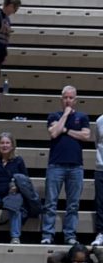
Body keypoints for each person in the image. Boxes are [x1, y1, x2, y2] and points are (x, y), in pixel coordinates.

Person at [41, 86, 91, 246]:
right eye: (65, 97)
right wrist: (65, 115)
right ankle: (48, 234)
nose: (68, 100)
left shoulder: (82, 117)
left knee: (73, 204)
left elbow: (86, 136)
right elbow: (54, 133)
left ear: (75, 100)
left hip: (76, 166)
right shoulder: (53, 116)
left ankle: (70, 235)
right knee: (50, 203)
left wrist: (67, 129)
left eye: (71, 98)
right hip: (56, 165)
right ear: (61, 99)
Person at [94, 112, 103, 248]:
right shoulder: (100, 120)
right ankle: (101, 233)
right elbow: (97, 142)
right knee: (100, 203)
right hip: (101, 167)